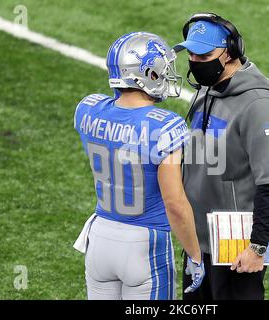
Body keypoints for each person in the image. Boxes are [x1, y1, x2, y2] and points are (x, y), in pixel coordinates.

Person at [72, 32, 204, 300]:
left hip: (99, 238)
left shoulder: (88, 109)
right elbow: (175, 204)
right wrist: (195, 255)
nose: (167, 76)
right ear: (148, 74)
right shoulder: (165, 125)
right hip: (145, 243)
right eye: (163, 70)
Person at [174, 13, 269, 300]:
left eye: (204, 55)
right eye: (192, 55)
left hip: (234, 245)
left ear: (231, 51)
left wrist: (257, 247)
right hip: (197, 242)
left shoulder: (259, 105)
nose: (196, 62)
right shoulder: (206, 90)